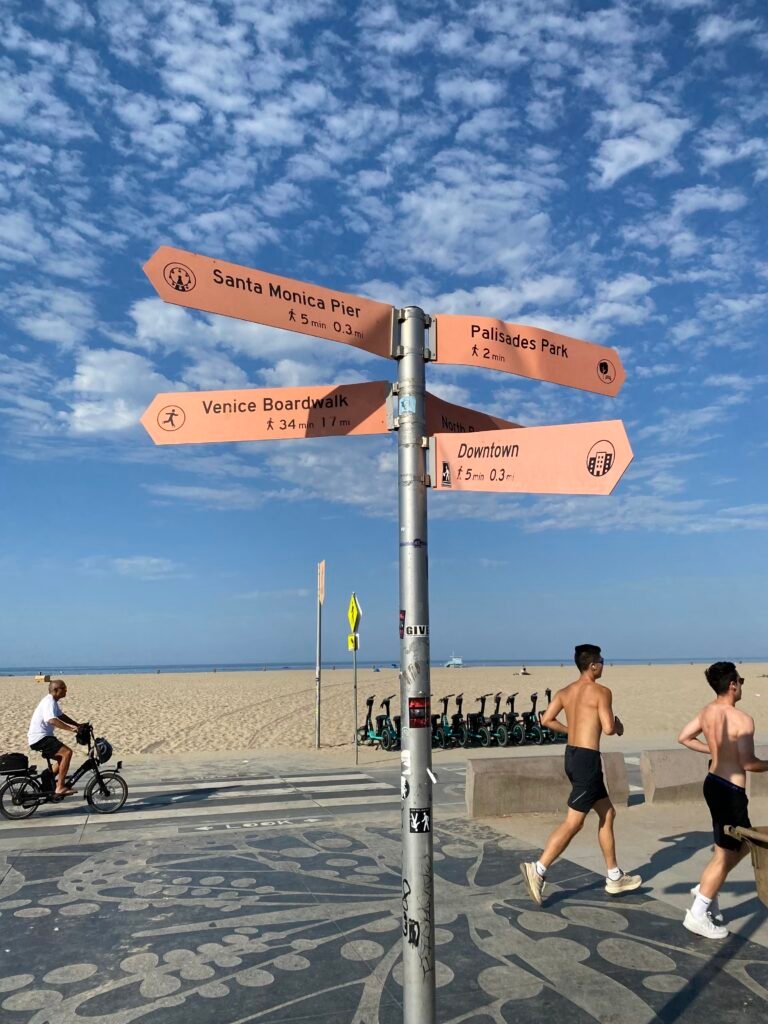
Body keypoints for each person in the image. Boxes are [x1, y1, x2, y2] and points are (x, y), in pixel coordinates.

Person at [519, 644, 641, 905]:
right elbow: (608, 728)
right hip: (587, 760)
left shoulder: (565, 692)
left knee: (608, 813)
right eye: (602, 661)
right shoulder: (601, 692)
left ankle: (614, 876)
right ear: (593, 665)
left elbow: (546, 720)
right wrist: (618, 726)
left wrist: (572, 729)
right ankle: (538, 869)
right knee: (574, 822)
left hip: (572, 756)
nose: (603, 665)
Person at [677, 662, 768, 939]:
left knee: (731, 846)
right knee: (732, 850)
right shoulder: (742, 719)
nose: (741, 684)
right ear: (732, 685)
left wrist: (715, 749)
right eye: (741, 680)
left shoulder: (707, 711)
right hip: (730, 791)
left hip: (713, 784)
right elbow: (748, 763)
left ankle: (707, 889)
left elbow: (683, 737)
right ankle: (698, 911)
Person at [27, 679, 81, 797]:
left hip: (42, 737)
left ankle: (47, 776)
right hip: (40, 738)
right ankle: (60, 787)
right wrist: (71, 729)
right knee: (67, 753)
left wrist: (77, 725)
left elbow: (61, 716)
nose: (66, 690)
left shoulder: (53, 702)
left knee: (62, 757)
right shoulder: (49, 702)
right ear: (56, 690)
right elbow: (52, 720)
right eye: (64, 688)